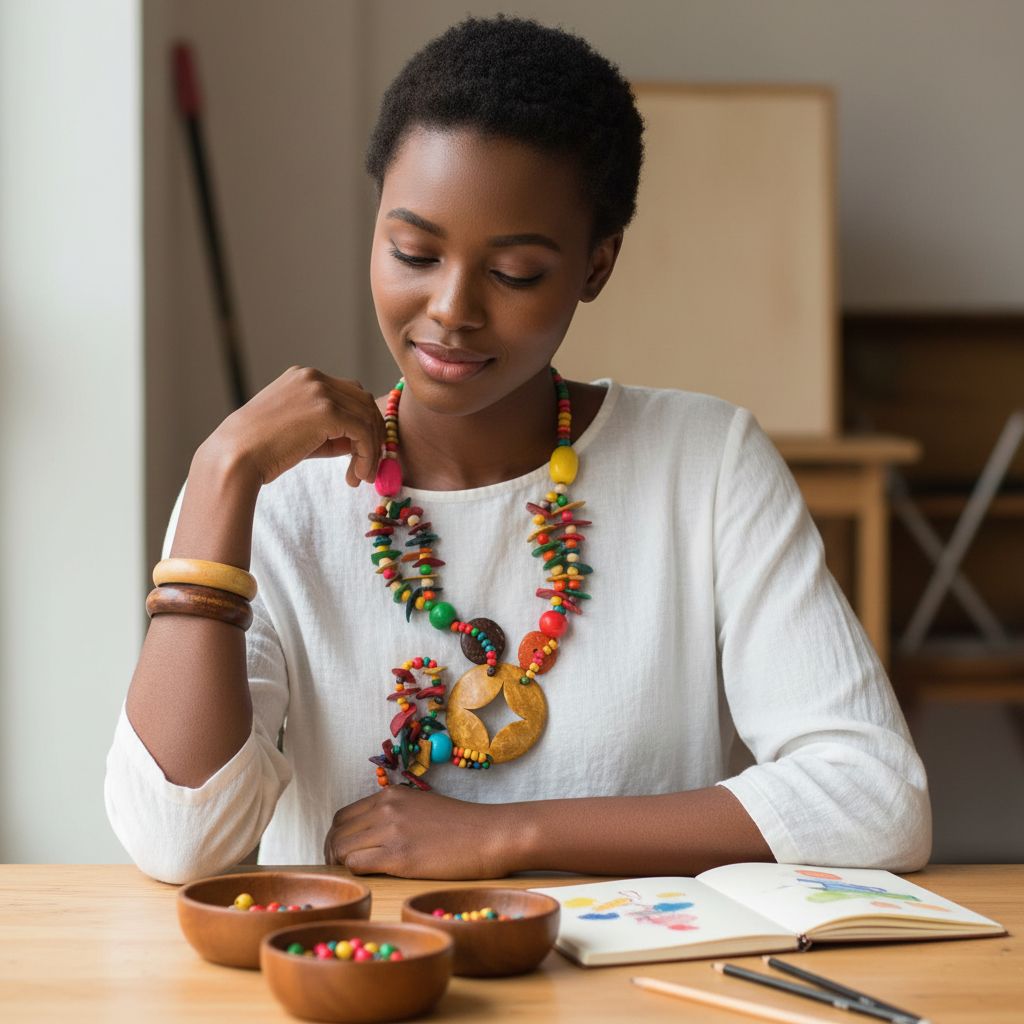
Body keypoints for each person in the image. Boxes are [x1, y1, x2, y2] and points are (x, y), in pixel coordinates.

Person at [105, 16, 931, 885]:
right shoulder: (273, 491)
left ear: (595, 267)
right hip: (371, 997)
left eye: (515, 273)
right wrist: (219, 469)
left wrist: (507, 835)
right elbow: (178, 843)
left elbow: (875, 797)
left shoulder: (708, 463)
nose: (451, 308)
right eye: (413, 252)